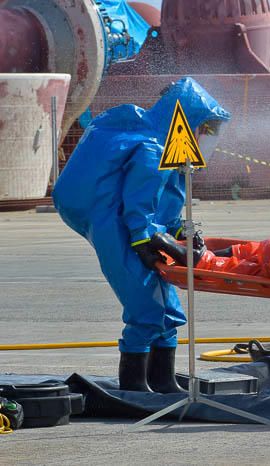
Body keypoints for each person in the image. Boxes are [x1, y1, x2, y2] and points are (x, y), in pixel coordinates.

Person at [52, 78, 231, 392]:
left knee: (169, 312)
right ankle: (134, 386)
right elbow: (138, 207)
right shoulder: (152, 149)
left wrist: (181, 232)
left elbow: (168, 207)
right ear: (187, 123)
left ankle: (162, 380)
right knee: (145, 309)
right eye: (207, 129)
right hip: (118, 230)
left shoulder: (171, 154)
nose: (209, 138)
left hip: (141, 232)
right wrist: (147, 241)